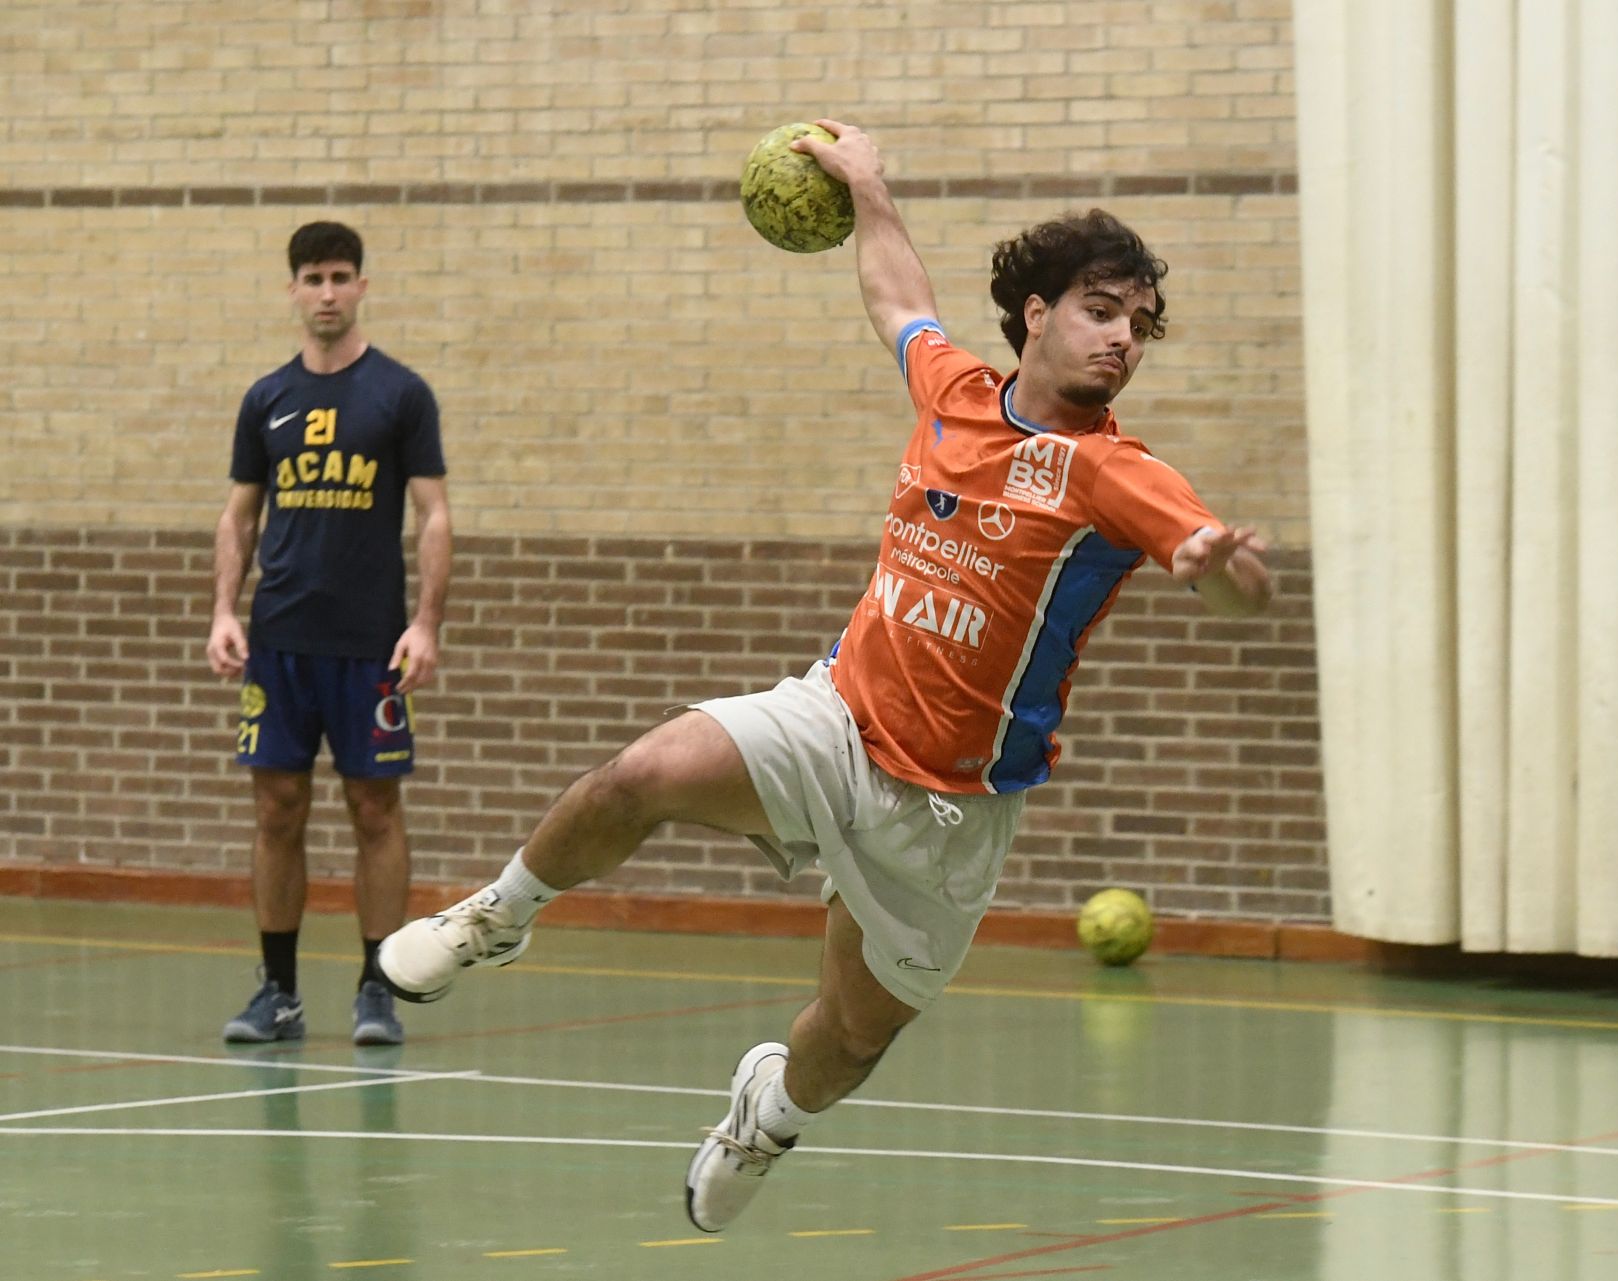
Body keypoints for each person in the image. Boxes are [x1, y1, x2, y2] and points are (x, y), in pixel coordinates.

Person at [375, 120, 1270, 1231]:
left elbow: (1228, 588)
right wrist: (870, 186)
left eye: (1140, 324)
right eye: (1102, 309)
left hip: (948, 812)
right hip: (836, 718)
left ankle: (767, 1115)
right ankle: (499, 917)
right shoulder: (953, 393)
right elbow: (900, 300)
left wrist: (1217, 569)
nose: (1124, 338)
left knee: (848, 1037)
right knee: (641, 774)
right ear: (1037, 315)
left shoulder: (1114, 475)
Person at [207, 220, 452, 1049]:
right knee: (277, 808)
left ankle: (377, 988)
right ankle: (277, 992)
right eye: (312, 278)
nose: (326, 293)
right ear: (292, 290)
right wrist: (223, 611)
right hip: (279, 642)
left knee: (374, 807)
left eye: (341, 277)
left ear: (361, 287)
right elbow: (240, 516)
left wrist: (425, 622)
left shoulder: (400, 395)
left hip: (369, 644)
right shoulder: (266, 399)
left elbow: (434, 514)